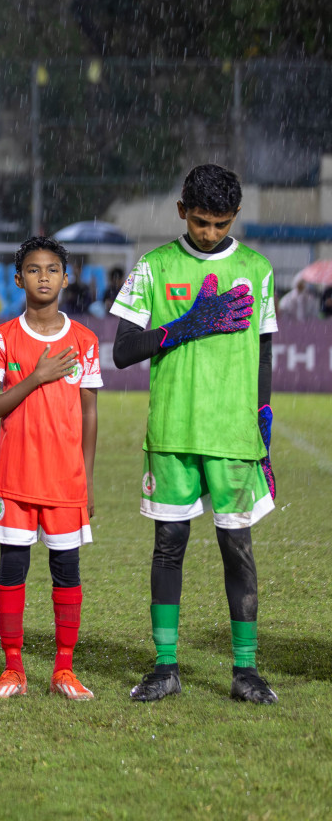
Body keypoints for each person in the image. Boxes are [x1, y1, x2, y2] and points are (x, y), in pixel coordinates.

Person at [111, 164, 278, 704]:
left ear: (235, 218)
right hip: (174, 431)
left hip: (232, 434)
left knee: (238, 549)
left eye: (222, 224)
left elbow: (266, 346)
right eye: (202, 222)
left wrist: (264, 414)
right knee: (169, 546)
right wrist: (188, 323)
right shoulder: (155, 267)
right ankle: (165, 666)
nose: (211, 233)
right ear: (182, 211)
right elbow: (122, 351)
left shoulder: (256, 269)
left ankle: (246, 671)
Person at [0, 237, 101, 701]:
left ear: (66, 278)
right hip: (15, 479)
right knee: (13, 571)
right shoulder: (1, 338)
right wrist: (36, 377)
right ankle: (13, 670)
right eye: (33, 269)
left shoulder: (84, 341)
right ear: (18, 279)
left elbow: (89, 415)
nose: (43, 276)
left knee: (67, 572)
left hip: (66, 482)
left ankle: (63, 670)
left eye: (52, 269)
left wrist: (86, 480)